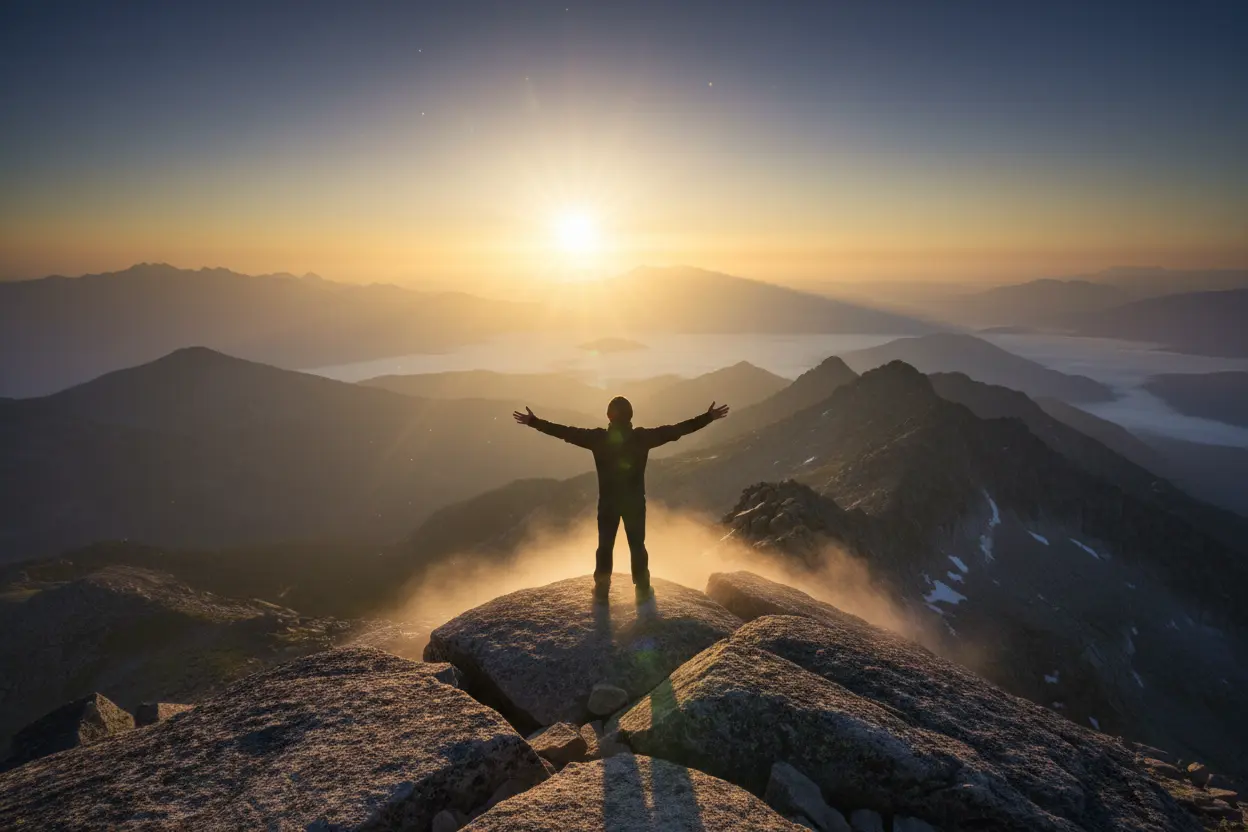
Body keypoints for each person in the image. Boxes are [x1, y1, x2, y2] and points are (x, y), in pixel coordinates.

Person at [514, 396, 729, 602]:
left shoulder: (597, 438)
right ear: (631, 416)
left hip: (608, 503)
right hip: (634, 502)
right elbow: (677, 430)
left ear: (609, 416)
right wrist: (708, 417)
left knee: (605, 546)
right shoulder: (642, 438)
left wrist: (534, 422)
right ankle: (643, 589)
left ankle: (601, 590)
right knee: (637, 545)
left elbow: (565, 432)